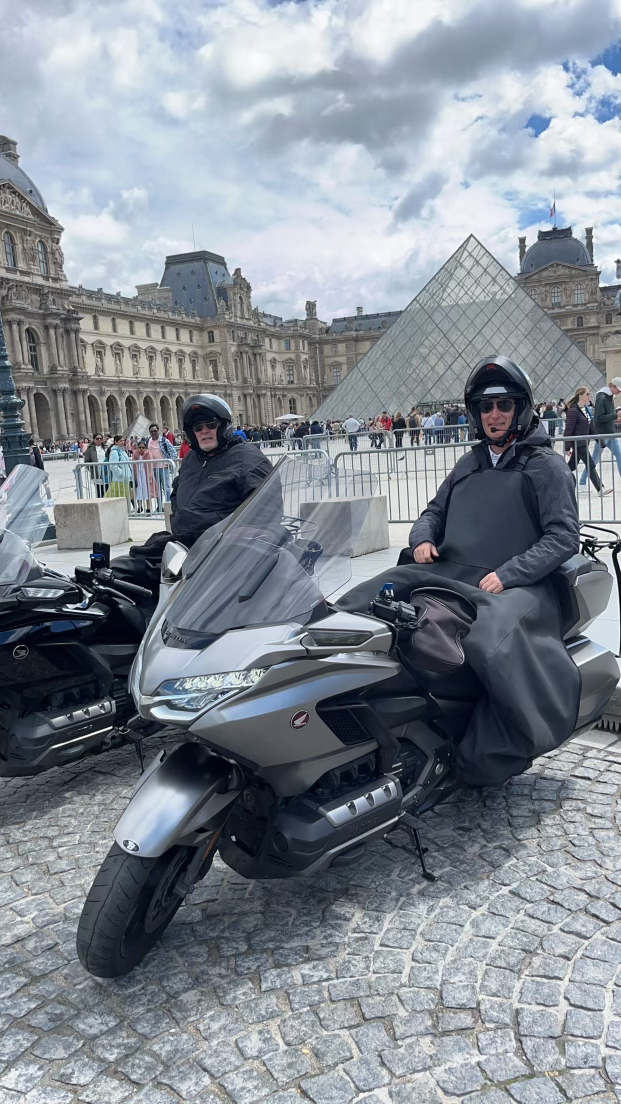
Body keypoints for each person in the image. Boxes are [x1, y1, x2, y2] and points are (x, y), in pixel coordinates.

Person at [340, 357, 581, 790]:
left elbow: (563, 537)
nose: (494, 415)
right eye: (485, 407)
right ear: (475, 412)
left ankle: (490, 747)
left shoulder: (546, 466)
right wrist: (422, 540)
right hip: (456, 569)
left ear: (521, 409)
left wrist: (510, 573)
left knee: (489, 635)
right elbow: (433, 512)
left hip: (519, 583)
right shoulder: (469, 463)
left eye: (504, 405)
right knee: (374, 592)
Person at [565, 387, 611, 495]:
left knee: (571, 466)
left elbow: (590, 428)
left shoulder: (585, 409)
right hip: (578, 443)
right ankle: (600, 489)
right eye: (587, 394)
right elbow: (568, 429)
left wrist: (600, 441)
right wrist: (567, 447)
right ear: (580, 396)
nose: (589, 396)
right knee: (590, 464)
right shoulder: (573, 411)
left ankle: (556, 479)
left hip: (583, 442)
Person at [579, 377, 621, 488]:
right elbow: (599, 417)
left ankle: (582, 482)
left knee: (618, 456)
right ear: (612, 386)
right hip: (603, 434)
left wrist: (615, 417)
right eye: (618, 389)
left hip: (609, 433)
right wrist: (616, 416)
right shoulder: (602, 398)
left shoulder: (608, 397)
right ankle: (582, 482)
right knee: (594, 460)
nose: (619, 391)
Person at [148, 422, 177, 508]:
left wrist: (169, 463)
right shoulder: (148, 441)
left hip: (163, 467)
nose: (153, 433)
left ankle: (168, 505)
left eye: (155, 431)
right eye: (151, 431)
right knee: (157, 489)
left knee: (166, 488)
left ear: (158, 431)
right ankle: (159, 506)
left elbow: (174, 453)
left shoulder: (164, 441)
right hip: (153, 468)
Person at [132, 439, 157, 514]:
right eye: (140, 447)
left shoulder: (149, 454)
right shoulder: (135, 454)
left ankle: (148, 508)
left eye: (143, 447)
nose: (141, 449)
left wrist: (150, 476)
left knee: (147, 491)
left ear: (146, 448)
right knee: (138, 491)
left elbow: (150, 465)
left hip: (146, 474)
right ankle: (139, 506)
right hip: (138, 474)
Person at [105, 435, 133, 500]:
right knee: (119, 500)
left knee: (125, 499)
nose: (123, 442)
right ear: (116, 442)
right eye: (121, 441)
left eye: (123, 440)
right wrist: (122, 474)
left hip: (126, 479)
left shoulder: (123, 451)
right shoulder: (114, 452)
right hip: (119, 480)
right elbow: (113, 466)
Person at [83, 432, 107, 498]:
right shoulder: (90, 449)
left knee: (107, 491)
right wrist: (92, 469)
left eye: (101, 438)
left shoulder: (105, 448)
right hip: (97, 473)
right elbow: (87, 461)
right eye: (97, 439)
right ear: (94, 440)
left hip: (106, 472)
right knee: (100, 492)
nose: (99, 440)